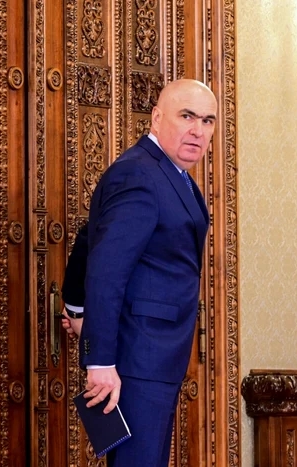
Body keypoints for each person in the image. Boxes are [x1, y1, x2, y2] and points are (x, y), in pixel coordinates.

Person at [65, 78, 217, 466]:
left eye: (207, 121)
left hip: (156, 356)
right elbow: (106, 269)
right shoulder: (139, 174)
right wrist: (99, 360)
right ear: (156, 118)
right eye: (187, 116)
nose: (198, 131)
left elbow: (87, 239)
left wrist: (77, 310)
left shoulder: (171, 174)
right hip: (137, 360)